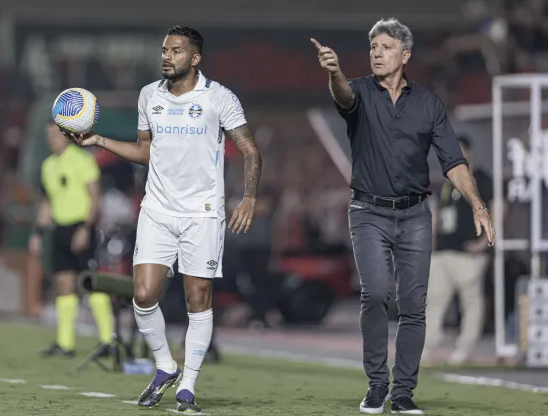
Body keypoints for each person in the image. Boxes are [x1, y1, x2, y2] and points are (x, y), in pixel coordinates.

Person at [64, 26, 262, 413]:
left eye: (175, 50)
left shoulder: (219, 98)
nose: (166, 56)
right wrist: (99, 140)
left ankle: (187, 386)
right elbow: (144, 152)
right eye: (164, 50)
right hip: (157, 209)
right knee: (142, 294)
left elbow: (251, 151)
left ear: (195, 58)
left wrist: (249, 198)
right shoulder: (149, 96)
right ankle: (165, 366)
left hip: (202, 213)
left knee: (197, 298)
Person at [311, 18, 495, 414]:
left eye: (386, 47)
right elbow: (343, 97)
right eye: (373, 46)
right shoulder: (358, 90)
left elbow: (454, 161)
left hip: (414, 215)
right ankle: (377, 385)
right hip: (367, 212)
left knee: (414, 305)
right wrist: (336, 72)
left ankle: (404, 392)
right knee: (375, 293)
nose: (376, 52)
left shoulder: (428, 104)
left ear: (405, 55)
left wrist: (479, 205)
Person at [30, 122, 114, 358]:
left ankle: (108, 340)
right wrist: (38, 233)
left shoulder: (82, 160)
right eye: (48, 135)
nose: (51, 139)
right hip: (60, 228)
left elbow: (94, 195)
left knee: (90, 283)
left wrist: (86, 228)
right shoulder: (48, 165)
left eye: (55, 134)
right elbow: (48, 201)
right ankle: (65, 344)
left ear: (66, 136)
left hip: (81, 225)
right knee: (63, 284)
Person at [424, 136, 494, 366]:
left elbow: (497, 209)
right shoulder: (447, 181)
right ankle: (428, 347)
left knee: (471, 303)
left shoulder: (482, 180)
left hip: (468, 251)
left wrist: (484, 243)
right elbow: (437, 213)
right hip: (443, 251)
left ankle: (465, 349)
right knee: (434, 300)